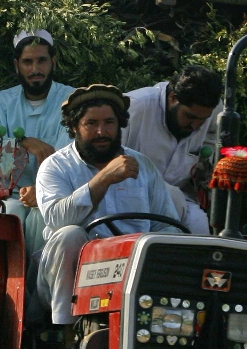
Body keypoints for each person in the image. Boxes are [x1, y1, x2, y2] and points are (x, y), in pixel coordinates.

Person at [36, 85, 181, 330]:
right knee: (69, 234)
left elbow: (167, 225)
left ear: (120, 124)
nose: (101, 132)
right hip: (73, 276)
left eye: (109, 123)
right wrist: (103, 179)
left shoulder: (142, 166)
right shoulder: (55, 167)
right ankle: (65, 335)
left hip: (132, 271)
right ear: (74, 127)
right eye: (91, 123)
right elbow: (57, 220)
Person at [0, 30, 75, 254]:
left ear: (54, 62)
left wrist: (41, 190)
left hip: (58, 194)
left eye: (41, 60)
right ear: (16, 65)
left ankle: (35, 288)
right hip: (11, 195)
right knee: (10, 217)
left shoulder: (72, 101)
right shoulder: (1, 102)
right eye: (27, 62)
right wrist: (23, 143)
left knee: (43, 217)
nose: (35, 70)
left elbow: (70, 157)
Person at [123, 65, 223, 235]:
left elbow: (214, 138)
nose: (196, 126)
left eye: (202, 120)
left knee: (200, 226)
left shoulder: (214, 110)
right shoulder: (135, 108)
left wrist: (206, 163)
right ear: (173, 98)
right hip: (129, 199)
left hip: (183, 200)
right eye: (190, 117)